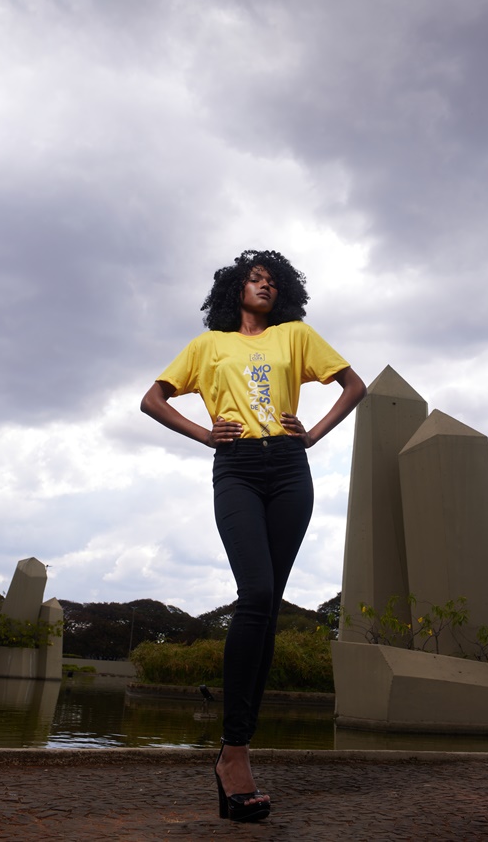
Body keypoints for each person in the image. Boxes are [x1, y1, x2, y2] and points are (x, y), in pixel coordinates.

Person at [141, 250, 366, 822]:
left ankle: (237, 750)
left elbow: (353, 384)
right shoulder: (209, 345)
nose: (264, 286)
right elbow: (152, 400)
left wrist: (311, 433)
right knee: (258, 595)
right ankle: (233, 753)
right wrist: (204, 433)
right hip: (236, 467)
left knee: (265, 610)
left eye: (272, 280)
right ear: (235, 288)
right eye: (254, 278)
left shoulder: (295, 335)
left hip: (290, 467)